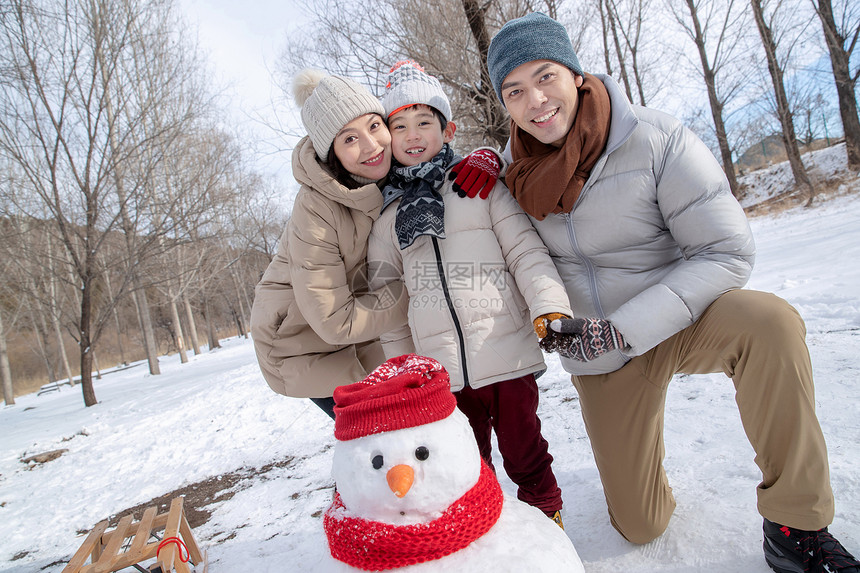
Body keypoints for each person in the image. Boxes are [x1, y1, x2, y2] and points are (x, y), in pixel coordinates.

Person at [486, 12, 859, 573]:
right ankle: (639, 464)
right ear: (505, 105)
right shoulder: (508, 178)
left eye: (545, 77)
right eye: (514, 91)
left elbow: (727, 251)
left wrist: (626, 326)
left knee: (770, 323)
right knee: (641, 525)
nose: (535, 100)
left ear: (575, 75)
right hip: (599, 352)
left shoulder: (653, 137)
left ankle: (794, 523)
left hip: (680, 320)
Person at [366, 60, 572, 527]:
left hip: (507, 352)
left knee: (525, 449)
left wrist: (549, 306)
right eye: (399, 125)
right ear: (388, 138)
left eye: (424, 122)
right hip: (440, 372)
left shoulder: (479, 186)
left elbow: (525, 252)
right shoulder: (387, 218)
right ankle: (486, 530)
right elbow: (388, 304)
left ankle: (547, 517)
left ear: (448, 128)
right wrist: (402, 370)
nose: (413, 134)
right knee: (464, 462)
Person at [250, 70, 499, 419]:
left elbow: (436, 155)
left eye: (373, 126)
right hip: (307, 349)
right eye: (349, 139)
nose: (371, 146)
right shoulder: (315, 209)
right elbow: (334, 320)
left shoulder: (392, 167)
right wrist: (426, 291)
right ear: (331, 155)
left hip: (369, 327)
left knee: (441, 422)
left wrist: (487, 159)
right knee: (400, 437)